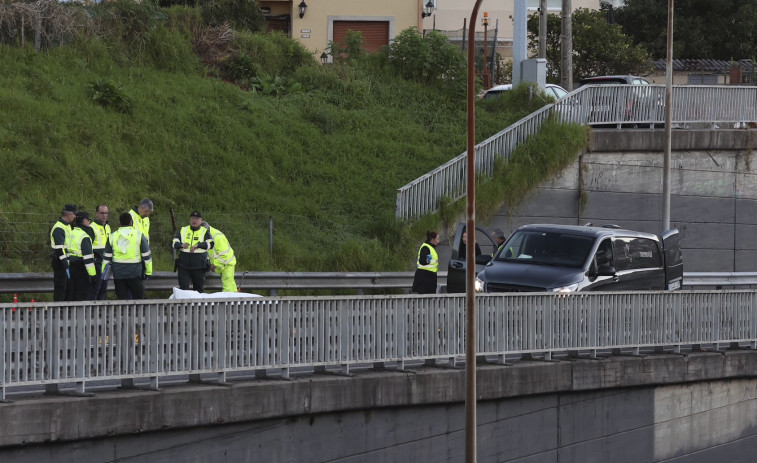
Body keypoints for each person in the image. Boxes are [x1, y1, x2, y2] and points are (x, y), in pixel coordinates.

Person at [103, 212, 152, 300]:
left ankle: (124, 314)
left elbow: (106, 258)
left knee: (122, 301)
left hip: (118, 274)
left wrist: (104, 274)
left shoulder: (112, 236)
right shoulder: (139, 235)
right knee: (138, 300)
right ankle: (137, 314)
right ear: (131, 222)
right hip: (135, 273)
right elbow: (147, 256)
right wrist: (148, 272)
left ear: (120, 223)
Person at [173, 211, 214, 292]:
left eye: (196, 219)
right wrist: (181, 245)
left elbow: (211, 244)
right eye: (192, 218)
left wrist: (198, 245)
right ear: (189, 220)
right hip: (184, 266)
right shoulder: (183, 230)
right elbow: (174, 242)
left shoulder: (205, 231)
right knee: (183, 289)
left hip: (199, 266)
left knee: (198, 290)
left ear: (201, 220)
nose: (194, 220)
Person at [67, 212, 97, 301]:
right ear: (84, 221)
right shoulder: (84, 237)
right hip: (81, 268)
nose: (89, 222)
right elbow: (88, 259)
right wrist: (93, 275)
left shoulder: (70, 234)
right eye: (88, 220)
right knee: (82, 296)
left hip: (71, 267)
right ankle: (81, 315)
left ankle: (71, 314)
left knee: (73, 295)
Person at [50, 204, 77, 301]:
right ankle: (58, 312)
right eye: (74, 214)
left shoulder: (68, 226)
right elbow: (60, 250)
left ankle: (66, 313)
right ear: (69, 214)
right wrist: (66, 265)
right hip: (60, 262)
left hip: (67, 262)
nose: (75, 217)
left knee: (68, 290)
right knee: (61, 288)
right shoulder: (59, 228)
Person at [202, 221, 237, 293]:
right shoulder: (208, 236)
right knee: (231, 286)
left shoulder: (217, 237)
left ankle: (228, 303)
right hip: (221, 264)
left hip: (227, 264)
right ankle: (235, 301)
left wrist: (214, 264)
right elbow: (210, 252)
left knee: (228, 288)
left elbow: (224, 256)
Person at [89, 204, 111, 300]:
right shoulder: (92, 228)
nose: (104, 215)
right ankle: (92, 312)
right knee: (95, 289)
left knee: (103, 289)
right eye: (102, 213)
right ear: (96, 213)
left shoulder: (108, 227)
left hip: (106, 263)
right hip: (97, 262)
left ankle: (100, 312)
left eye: (106, 213)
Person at [411, 230, 440, 294]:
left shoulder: (430, 247)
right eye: (437, 239)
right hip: (424, 278)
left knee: (428, 300)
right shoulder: (426, 247)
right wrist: (427, 260)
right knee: (425, 301)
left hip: (429, 277)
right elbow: (422, 261)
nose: (439, 241)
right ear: (432, 239)